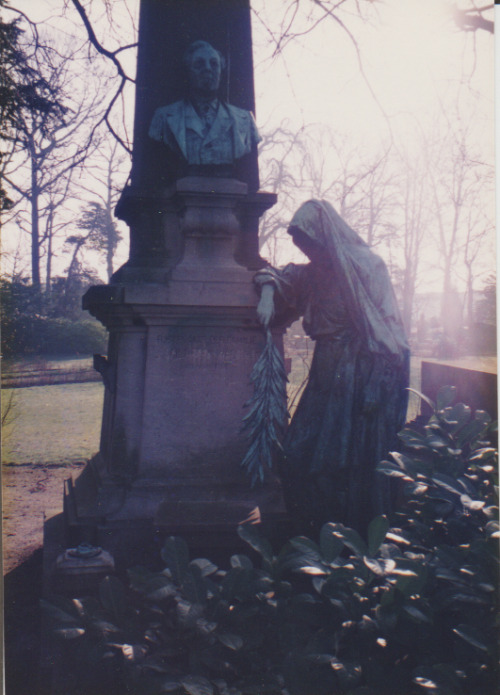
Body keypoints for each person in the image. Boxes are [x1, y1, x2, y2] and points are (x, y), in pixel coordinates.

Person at [255, 200, 409, 534]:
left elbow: (390, 333)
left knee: (339, 463)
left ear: (325, 236)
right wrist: (267, 293)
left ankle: (342, 538)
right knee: (296, 455)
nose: (306, 250)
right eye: (300, 244)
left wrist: (374, 385)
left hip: (359, 372)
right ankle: (316, 536)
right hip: (327, 371)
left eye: (309, 242)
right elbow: (278, 275)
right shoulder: (312, 273)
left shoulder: (368, 267)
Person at [149, 40, 261, 171]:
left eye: (214, 64)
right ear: (188, 71)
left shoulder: (245, 120)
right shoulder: (163, 118)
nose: (207, 68)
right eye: (199, 64)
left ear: (221, 70)